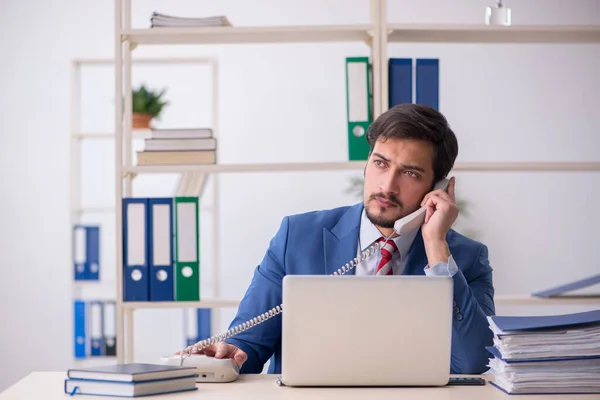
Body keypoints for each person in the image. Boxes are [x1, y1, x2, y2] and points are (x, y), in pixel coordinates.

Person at [190, 103, 495, 375]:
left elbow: (474, 363)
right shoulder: (297, 236)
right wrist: (230, 356)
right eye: (380, 163)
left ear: (437, 186)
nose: (387, 186)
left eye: (411, 173)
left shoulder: (466, 259)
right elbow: (249, 345)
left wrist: (436, 248)